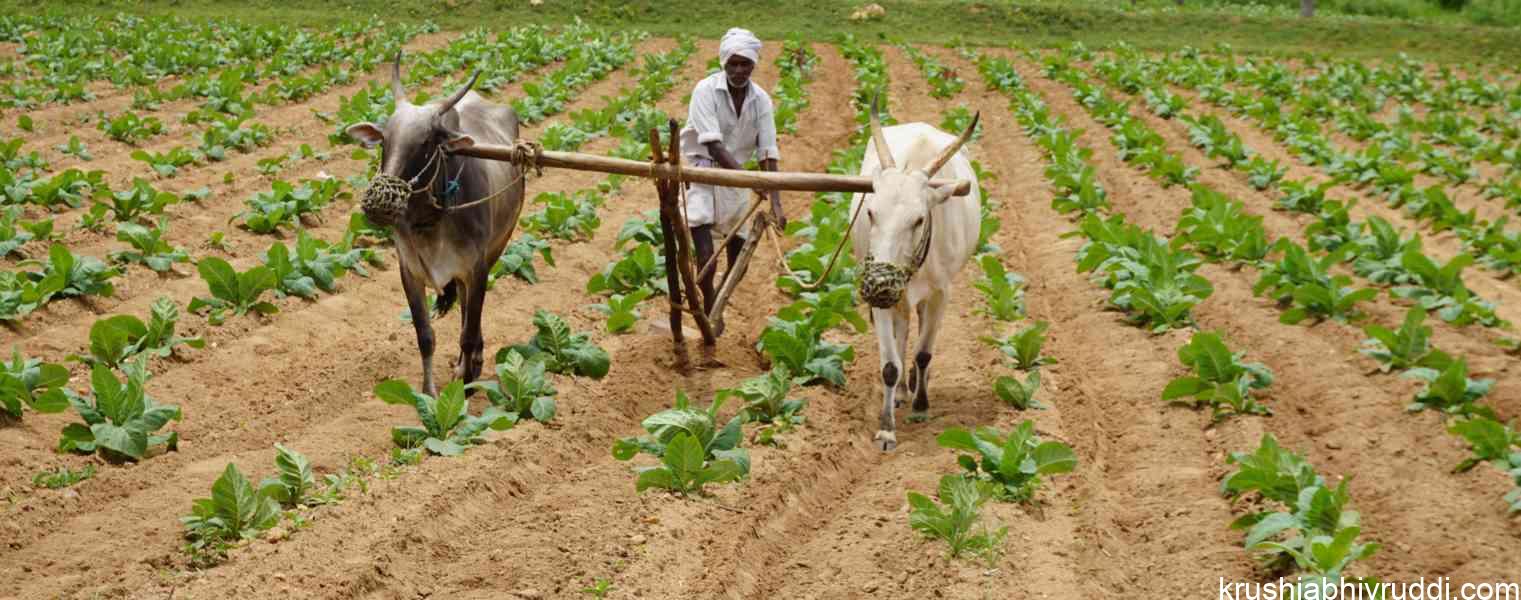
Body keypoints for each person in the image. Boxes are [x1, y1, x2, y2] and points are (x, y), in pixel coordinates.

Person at [679, 27, 785, 334]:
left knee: (740, 262)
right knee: (705, 259)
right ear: (724, 63)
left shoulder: (760, 100)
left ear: (753, 64)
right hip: (705, 175)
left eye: (745, 64)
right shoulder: (705, 90)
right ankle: (710, 301)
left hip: (737, 183)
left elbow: (768, 150)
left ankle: (718, 302)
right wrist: (749, 179)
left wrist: (777, 202)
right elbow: (713, 144)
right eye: (733, 64)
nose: (739, 70)